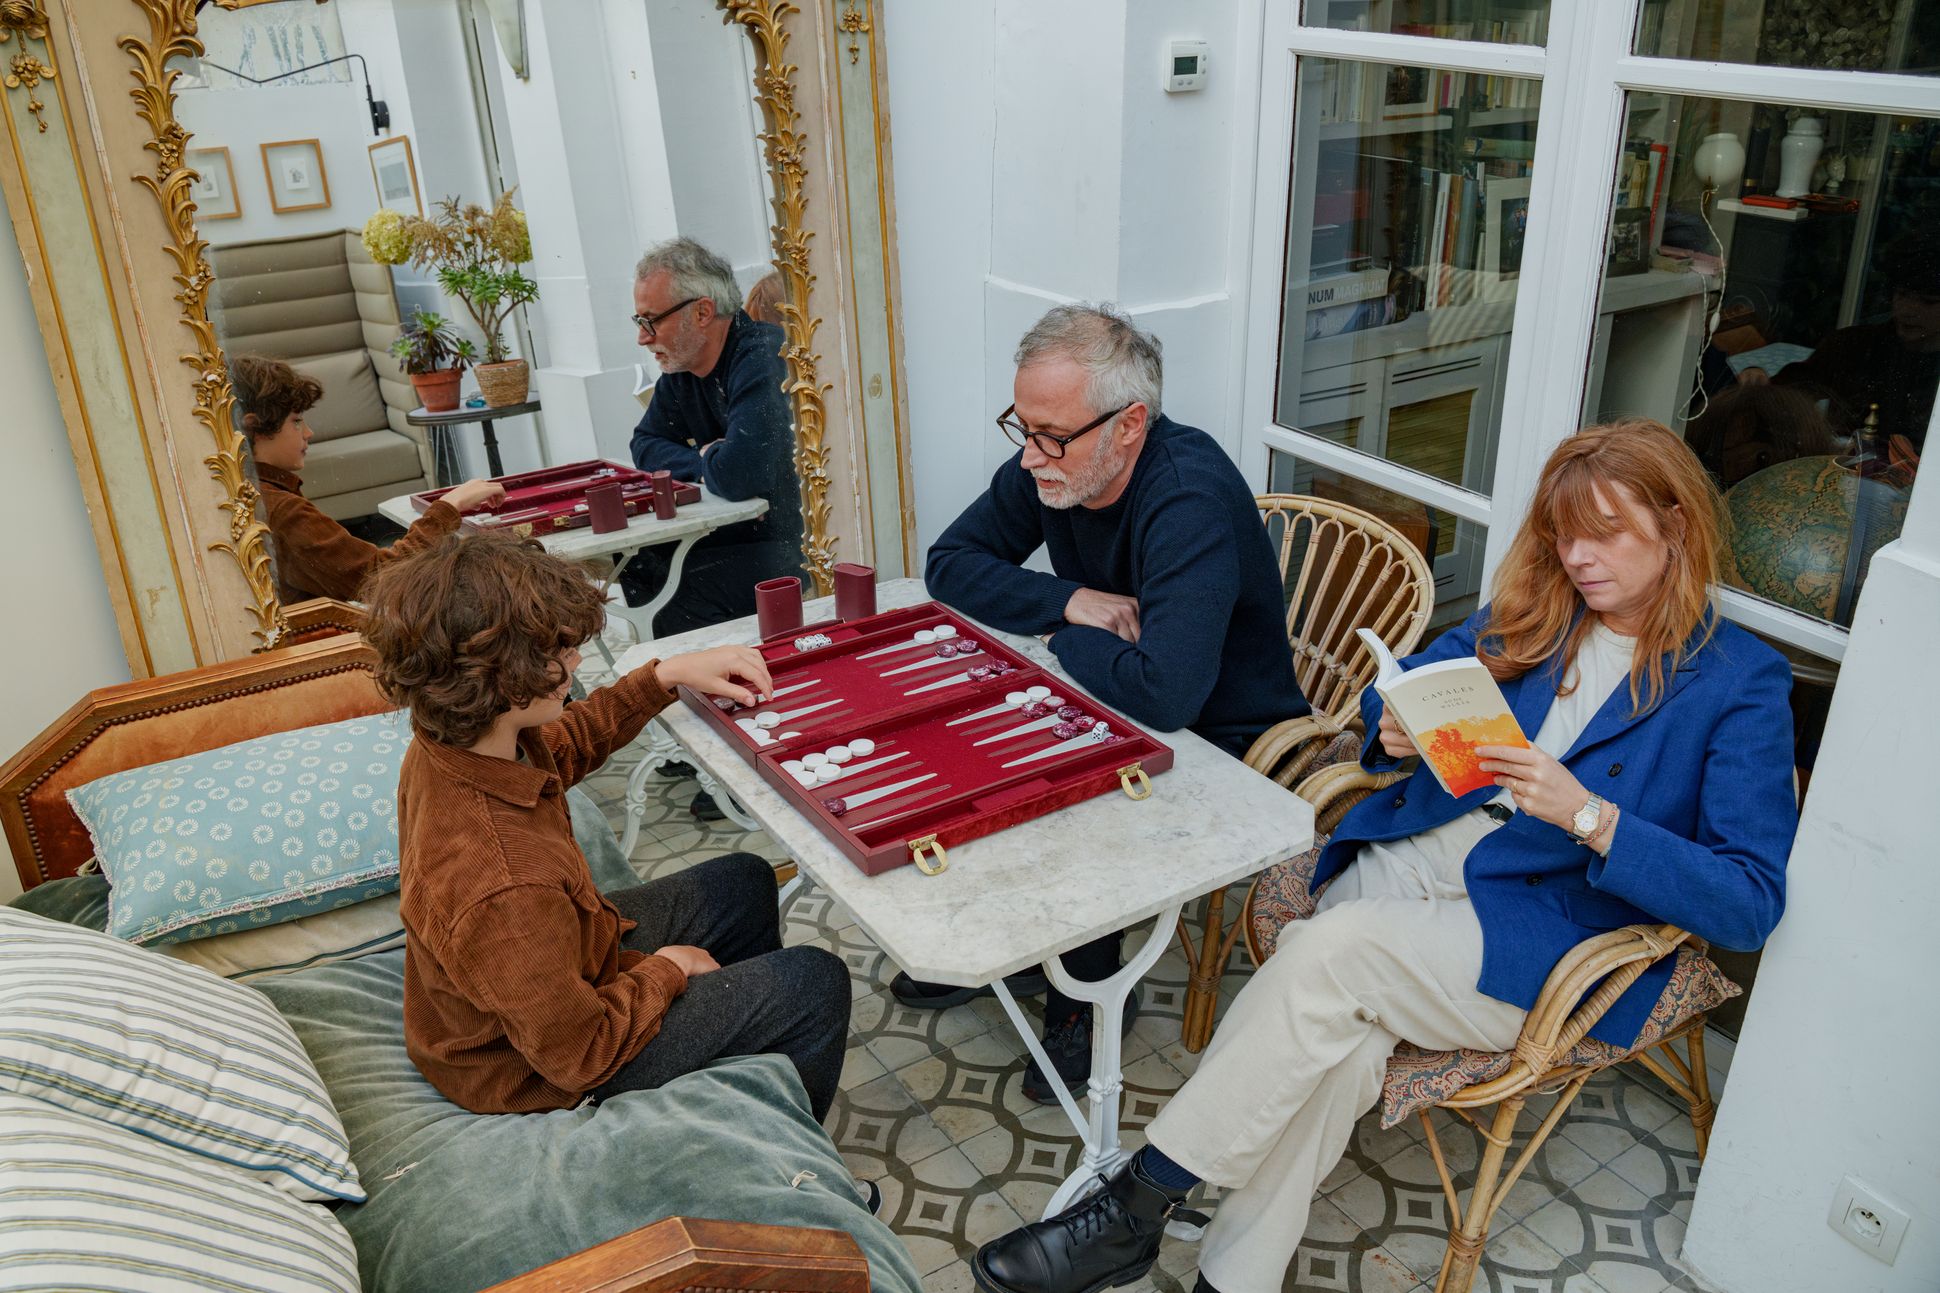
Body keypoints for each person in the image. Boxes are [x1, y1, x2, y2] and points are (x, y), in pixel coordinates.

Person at [970, 419, 1800, 1293]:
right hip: (1428, 847)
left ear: (1674, 526)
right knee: (1341, 1036)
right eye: (1565, 534)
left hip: (1549, 926)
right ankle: (1232, 1281)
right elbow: (1408, 678)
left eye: (1608, 534)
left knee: (1331, 955)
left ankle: (1137, 1203)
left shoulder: (1740, 681)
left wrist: (1590, 814)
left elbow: (1748, 901)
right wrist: (1392, 727)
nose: (1579, 558)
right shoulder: (1539, 610)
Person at [913, 304, 1308, 1103]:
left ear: (1130, 425)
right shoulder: (1059, 463)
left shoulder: (1186, 494)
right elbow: (949, 563)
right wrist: (1072, 602)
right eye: (1022, 427)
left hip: (1231, 739)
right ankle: (1029, 945)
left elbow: (1166, 692)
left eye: (1052, 433)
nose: (1031, 455)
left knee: (1069, 791)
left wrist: (1062, 638)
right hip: (1128, 694)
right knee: (986, 733)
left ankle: (1085, 1000)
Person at [361, 531, 853, 1129]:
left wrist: (664, 677)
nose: (575, 662)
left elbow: (566, 746)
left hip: (560, 969)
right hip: (530, 1068)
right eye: (559, 652)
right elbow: (578, 1053)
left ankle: (739, 1080)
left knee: (744, 881)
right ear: (500, 677)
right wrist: (666, 970)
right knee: (813, 982)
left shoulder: (463, 739)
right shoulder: (503, 885)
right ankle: (788, 1166)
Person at [625, 237, 803, 635]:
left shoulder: (761, 354)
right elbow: (643, 445)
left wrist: (715, 462)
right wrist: (708, 459)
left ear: (702, 311)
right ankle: (671, 682)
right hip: (729, 533)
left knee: (681, 594)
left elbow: (740, 474)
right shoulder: (681, 369)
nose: (643, 337)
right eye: (639, 322)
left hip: (787, 546)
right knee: (639, 563)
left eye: (650, 320)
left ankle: (714, 684)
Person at [230, 353, 503, 604]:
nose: (308, 432)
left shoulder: (248, 491)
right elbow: (379, 577)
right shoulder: (280, 509)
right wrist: (447, 508)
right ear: (256, 428)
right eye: (297, 421)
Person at [1740, 229, 1940, 460]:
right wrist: (1757, 380)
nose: (1908, 310)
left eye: (1928, 302)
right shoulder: (1855, 345)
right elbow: (1791, 390)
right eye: (1903, 295)